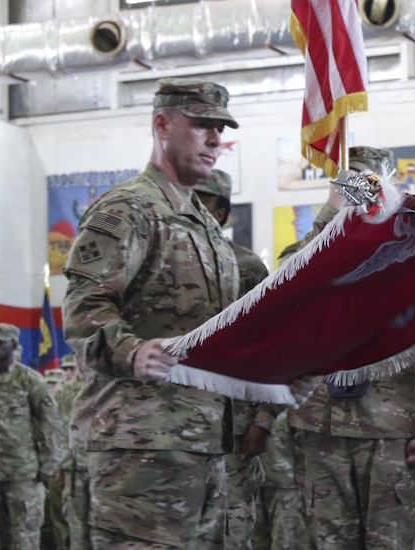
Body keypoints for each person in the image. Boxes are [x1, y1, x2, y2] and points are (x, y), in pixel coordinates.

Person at [62, 78, 242, 548]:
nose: (214, 140)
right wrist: (131, 351)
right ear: (162, 124)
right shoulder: (129, 208)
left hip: (201, 441)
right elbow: (84, 309)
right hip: (139, 444)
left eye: (220, 128)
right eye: (201, 124)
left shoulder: (205, 226)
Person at [285, 146, 415, 549]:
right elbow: (286, 284)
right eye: (351, 190)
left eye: (368, 189)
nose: (360, 201)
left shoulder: (410, 259)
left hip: (390, 436)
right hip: (321, 432)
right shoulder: (308, 255)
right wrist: (330, 215)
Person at [194, 169, 279, 549]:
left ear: (222, 213)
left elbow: (272, 347)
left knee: (233, 530)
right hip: (176, 425)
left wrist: (263, 419)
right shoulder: (163, 260)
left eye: (202, 201)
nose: (191, 208)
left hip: (235, 427)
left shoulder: (246, 267)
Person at [0, 322, 63, 549]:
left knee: (23, 535)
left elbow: (50, 422)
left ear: (14, 345)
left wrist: (49, 465)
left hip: (22, 473)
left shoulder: (29, 380)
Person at [251, 410, 312, 549]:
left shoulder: (289, 409)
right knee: (257, 536)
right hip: (257, 480)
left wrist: (302, 470)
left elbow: (303, 440)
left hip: (285, 483)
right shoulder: (250, 406)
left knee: (286, 537)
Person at [54, 353, 89, 550]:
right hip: (74, 468)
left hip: (104, 467)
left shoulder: (108, 387)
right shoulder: (64, 393)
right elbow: (58, 429)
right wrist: (61, 465)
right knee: (76, 526)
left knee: (106, 526)